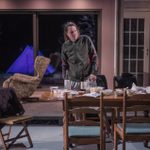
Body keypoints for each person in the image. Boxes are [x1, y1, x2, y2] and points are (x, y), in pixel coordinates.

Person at [61, 21, 98, 90]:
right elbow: (64, 64)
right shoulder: (65, 46)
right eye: (71, 32)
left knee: (91, 100)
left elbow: (94, 57)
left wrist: (93, 73)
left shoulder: (86, 40)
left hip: (88, 79)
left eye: (75, 31)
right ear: (67, 34)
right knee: (73, 100)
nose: (74, 33)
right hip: (73, 80)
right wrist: (65, 78)